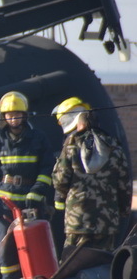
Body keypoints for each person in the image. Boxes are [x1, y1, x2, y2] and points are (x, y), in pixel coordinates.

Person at [0, 91, 55, 279]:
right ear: (3, 117)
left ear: (24, 115)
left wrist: (37, 192)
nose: (13, 119)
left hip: (31, 202)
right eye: (9, 115)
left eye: (17, 114)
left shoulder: (38, 139)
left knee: (34, 244)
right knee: (6, 247)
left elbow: (47, 169)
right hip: (5, 203)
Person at [51, 97, 131, 252]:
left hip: (78, 220)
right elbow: (124, 185)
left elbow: (60, 180)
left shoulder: (71, 146)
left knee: (73, 262)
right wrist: (122, 211)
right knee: (103, 262)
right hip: (107, 222)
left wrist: (65, 197)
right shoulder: (113, 146)